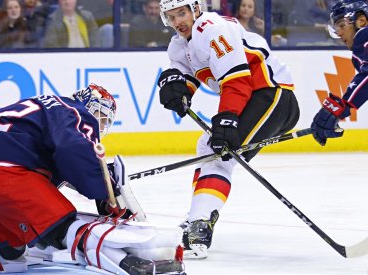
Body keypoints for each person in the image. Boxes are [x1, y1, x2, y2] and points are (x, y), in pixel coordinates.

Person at [0, 84, 185, 274]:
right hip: (3, 174)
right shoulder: (74, 110)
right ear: (92, 108)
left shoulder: (38, 109)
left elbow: (50, 160)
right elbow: (73, 149)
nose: (100, 126)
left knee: (11, 254)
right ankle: (132, 263)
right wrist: (102, 192)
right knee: (63, 228)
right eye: (102, 119)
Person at [157, 0, 300, 259]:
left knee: (220, 151)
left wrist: (226, 119)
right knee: (209, 147)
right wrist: (178, 89)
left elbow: (238, 80)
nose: (178, 21)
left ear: (195, 10)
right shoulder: (179, 45)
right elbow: (187, 74)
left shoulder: (213, 28)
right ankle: (197, 218)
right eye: (172, 16)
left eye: (182, 13)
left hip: (273, 95)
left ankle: (201, 223)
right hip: (252, 98)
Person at [311, 0, 368, 146]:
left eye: (342, 25)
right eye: (337, 28)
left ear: (361, 21)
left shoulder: (363, 37)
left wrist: (342, 106)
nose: (339, 32)